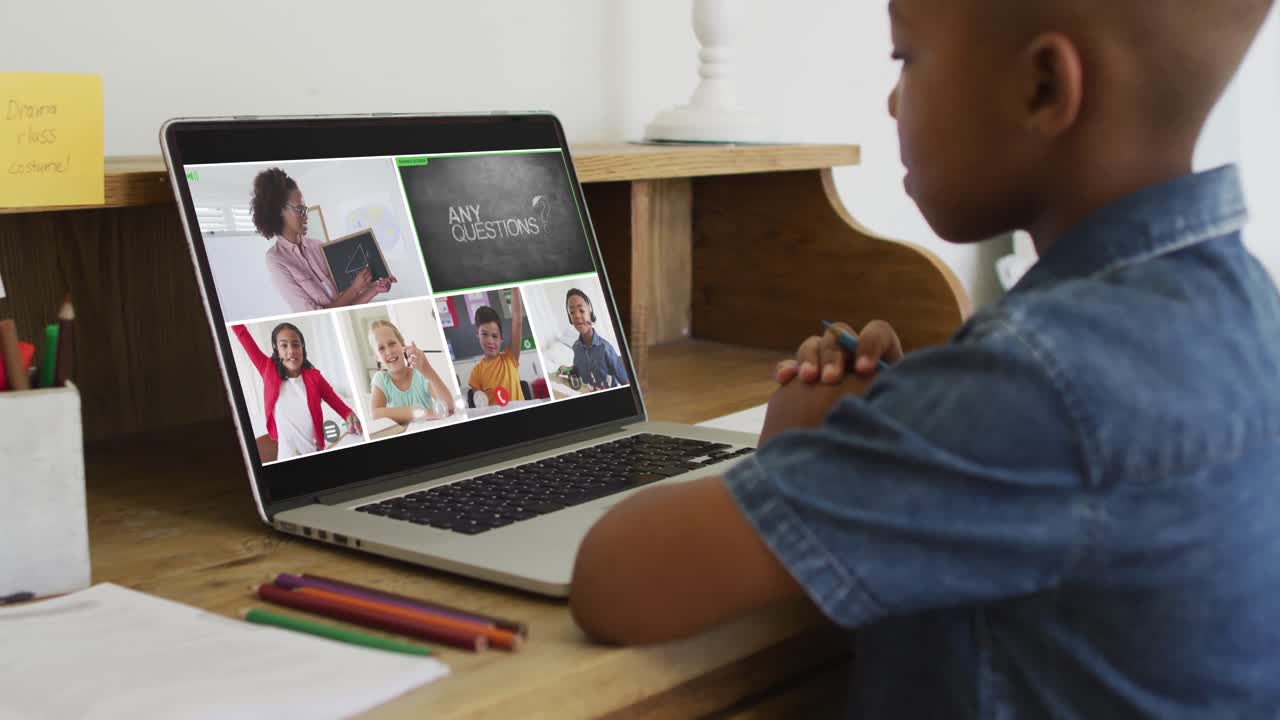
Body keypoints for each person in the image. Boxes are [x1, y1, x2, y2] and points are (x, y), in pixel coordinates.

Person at [569, 1, 1280, 717]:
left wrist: (811, 448)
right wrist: (910, 422)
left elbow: (615, 581)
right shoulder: (1246, 308)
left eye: (905, 59)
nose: (890, 99)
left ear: (1043, 87)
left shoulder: (1036, 382)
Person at [251, 167, 396, 312]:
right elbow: (313, 313)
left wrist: (375, 289)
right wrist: (354, 289)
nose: (306, 216)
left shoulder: (318, 246)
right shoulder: (276, 260)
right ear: (279, 211)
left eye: (305, 210)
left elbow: (347, 304)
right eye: (300, 210)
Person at [232, 322, 362, 460]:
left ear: (302, 348)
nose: (291, 350)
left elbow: (341, 407)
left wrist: (351, 418)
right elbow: (242, 334)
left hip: (315, 451)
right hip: (286, 457)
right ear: (277, 350)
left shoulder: (315, 377)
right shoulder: (267, 369)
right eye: (284, 345)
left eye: (295, 344)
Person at [367, 319, 454, 424]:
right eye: (381, 348)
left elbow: (448, 407)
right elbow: (375, 414)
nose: (389, 351)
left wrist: (427, 369)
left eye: (392, 343)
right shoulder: (381, 379)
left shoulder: (420, 374)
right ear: (377, 357)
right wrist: (418, 412)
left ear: (402, 345)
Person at [467, 289, 526, 405]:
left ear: (501, 339)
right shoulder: (476, 372)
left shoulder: (510, 357)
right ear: (477, 335)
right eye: (484, 334)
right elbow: (480, 403)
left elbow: (517, 322)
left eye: (495, 336)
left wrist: (515, 288)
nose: (490, 341)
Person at [563, 288, 628, 391]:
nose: (576, 316)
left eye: (581, 310)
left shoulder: (606, 348)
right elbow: (578, 368)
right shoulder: (576, 347)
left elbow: (626, 382)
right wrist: (568, 369)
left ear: (590, 313)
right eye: (572, 312)